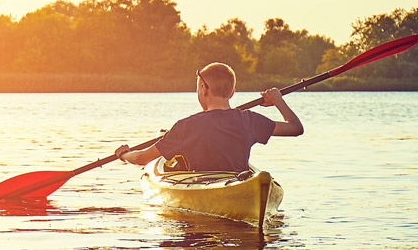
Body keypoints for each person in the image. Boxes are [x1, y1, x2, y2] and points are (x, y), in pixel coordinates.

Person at [115, 62, 304, 171]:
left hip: (204, 185)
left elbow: (142, 158)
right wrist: (278, 100)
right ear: (232, 93)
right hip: (235, 181)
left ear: (204, 89)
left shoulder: (186, 127)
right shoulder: (250, 120)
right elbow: (296, 128)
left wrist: (124, 154)